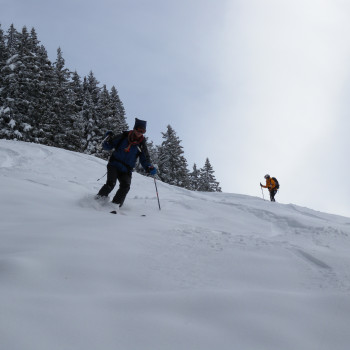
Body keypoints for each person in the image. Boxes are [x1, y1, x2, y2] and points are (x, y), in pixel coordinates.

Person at [96, 118, 157, 207]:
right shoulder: (123, 136)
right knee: (111, 184)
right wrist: (107, 139)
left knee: (125, 187)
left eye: (143, 131)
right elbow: (108, 146)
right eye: (139, 129)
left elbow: (145, 159)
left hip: (126, 169)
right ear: (135, 128)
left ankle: (115, 206)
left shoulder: (141, 144)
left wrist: (149, 167)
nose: (140, 132)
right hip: (114, 164)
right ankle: (97, 201)